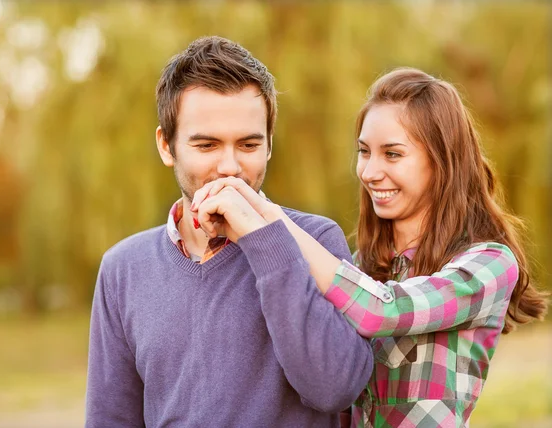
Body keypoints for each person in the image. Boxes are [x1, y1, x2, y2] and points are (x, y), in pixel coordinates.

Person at [190, 67, 549, 427]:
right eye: (364, 151)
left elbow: (381, 311)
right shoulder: (364, 265)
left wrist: (268, 219)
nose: (369, 171)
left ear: (443, 161)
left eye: (392, 154)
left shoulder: (489, 265)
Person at [85, 36, 374, 427]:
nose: (229, 167)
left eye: (249, 144)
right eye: (207, 145)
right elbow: (110, 419)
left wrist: (267, 243)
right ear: (166, 146)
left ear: (270, 144)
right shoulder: (123, 269)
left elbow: (336, 388)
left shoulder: (317, 241)